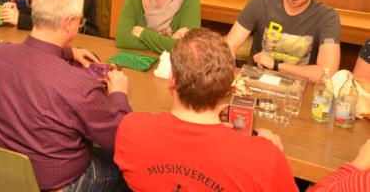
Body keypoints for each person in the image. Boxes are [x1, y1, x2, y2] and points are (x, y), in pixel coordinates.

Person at [0, 0, 131, 192]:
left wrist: (68, 52)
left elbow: (37, 55)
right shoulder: (80, 86)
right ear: (70, 22)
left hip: (7, 167)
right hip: (58, 183)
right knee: (131, 170)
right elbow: (120, 139)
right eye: (80, 21)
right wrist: (119, 94)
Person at [114, 28, 297, 192]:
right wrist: (270, 155)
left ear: (172, 80)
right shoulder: (265, 158)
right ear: (229, 87)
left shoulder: (131, 129)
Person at [226, 0, 341, 82]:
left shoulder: (327, 18)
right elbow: (229, 45)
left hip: (300, 88)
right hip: (255, 84)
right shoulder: (260, 4)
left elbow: (327, 73)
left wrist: (276, 65)